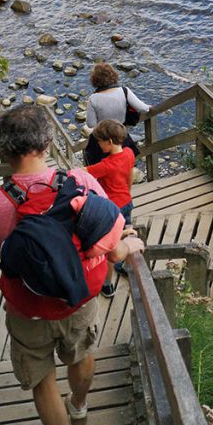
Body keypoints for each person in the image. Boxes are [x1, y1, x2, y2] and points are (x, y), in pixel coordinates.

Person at [0, 105, 144, 425]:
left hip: (26, 311)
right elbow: (108, 242)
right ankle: (79, 404)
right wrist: (127, 246)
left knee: (42, 382)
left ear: (2, 150)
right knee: (80, 353)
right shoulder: (81, 183)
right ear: (46, 144)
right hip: (77, 300)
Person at [84, 120, 135, 298]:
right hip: (127, 202)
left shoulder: (106, 165)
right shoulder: (129, 153)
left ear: (110, 142)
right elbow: (130, 176)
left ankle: (106, 285)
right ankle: (129, 266)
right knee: (128, 235)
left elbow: (81, 172)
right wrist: (127, 192)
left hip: (112, 210)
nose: (98, 145)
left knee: (110, 246)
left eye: (99, 142)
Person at [84, 63, 151, 164]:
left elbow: (91, 124)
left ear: (94, 80)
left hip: (102, 138)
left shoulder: (93, 98)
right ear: (113, 75)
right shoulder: (124, 91)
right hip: (120, 135)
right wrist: (149, 107)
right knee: (124, 162)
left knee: (99, 164)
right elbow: (143, 108)